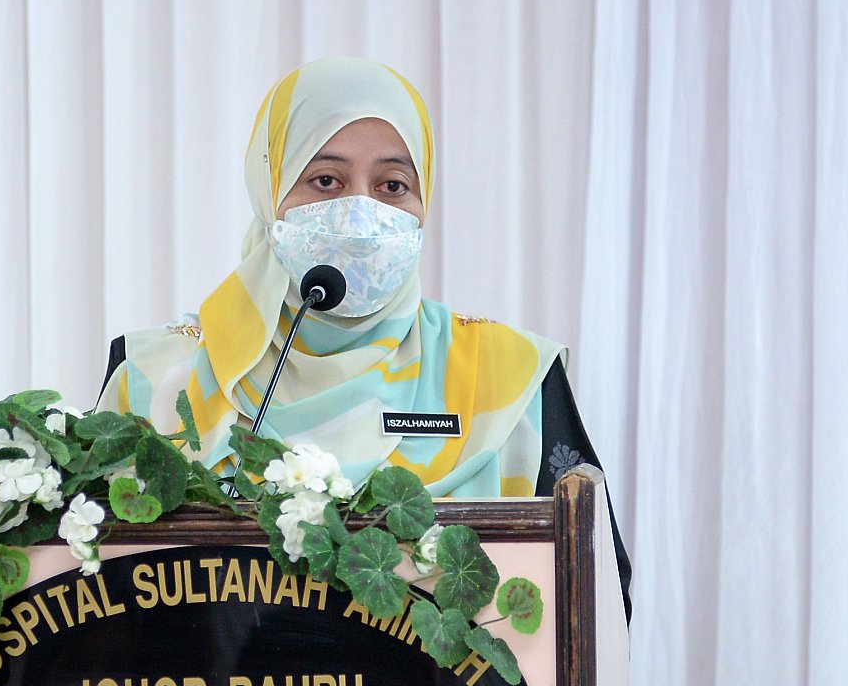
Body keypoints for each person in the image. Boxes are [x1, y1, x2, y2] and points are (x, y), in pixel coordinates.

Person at [98, 57, 629, 620]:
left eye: (392, 185)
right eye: (326, 180)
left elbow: (599, 598)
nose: (360, 213)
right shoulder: (156, 376)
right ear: (269, 191)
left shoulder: (509, 375)